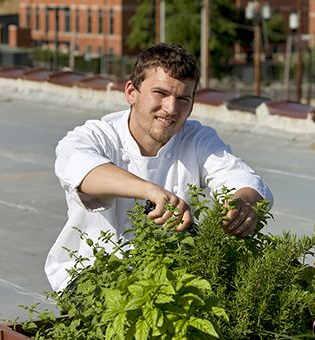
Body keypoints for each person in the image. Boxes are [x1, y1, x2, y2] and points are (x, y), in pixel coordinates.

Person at [45, 43, 273, 292]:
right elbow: (81, 168)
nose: (171, 109)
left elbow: (240, 178)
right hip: (91, 273)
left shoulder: (197, 139)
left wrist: (242, 203)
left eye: (183, 99)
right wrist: (150, 190)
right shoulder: (97, 135)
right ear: (131, 92)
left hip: (169, 276)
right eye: (160, 93)